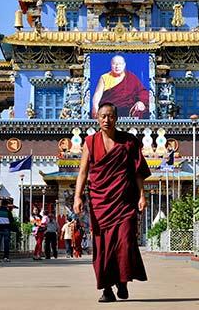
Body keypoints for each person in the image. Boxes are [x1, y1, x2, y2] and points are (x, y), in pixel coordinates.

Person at [74, 102, 151, 303]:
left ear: (116, 118)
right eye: (103, 116)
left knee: (125, 242)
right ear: (97, 119)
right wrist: (78, 196)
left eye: (110, 116)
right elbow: (83, 172)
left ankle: (123, 282)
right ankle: (107, 289)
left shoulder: (129, 142)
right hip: (100, 203)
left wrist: (142, 195)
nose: (106, 120)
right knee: (103, 247)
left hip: (124, 202)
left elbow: (137, 172)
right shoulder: (90, 142)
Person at [0, 198, 14, 263]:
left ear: (1, 204)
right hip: (6, 229)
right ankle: (6, 257)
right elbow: (12, 220)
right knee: (6, 243)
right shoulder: (8, 212)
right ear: (6, 205)